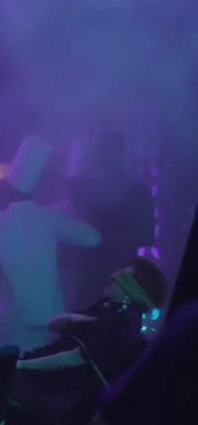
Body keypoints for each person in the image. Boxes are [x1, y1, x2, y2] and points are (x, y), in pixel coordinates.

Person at [6, 258, 169, 425]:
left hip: (56, 393)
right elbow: (54, 325)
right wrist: (74, 319)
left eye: (121, 277)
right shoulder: (107, 307)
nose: (112, 277)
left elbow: (73, 359)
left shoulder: (123, 323)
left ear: (131, 291)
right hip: (49, 380)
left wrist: (21, 365)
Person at [0, 137, 101, 349]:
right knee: (44, 363)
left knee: (11, 364)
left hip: (12, 316)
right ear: (37, 188)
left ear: (8, 188)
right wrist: (74, 208)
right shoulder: (50, 217)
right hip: (49, 317)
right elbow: (93, 239)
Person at [67, 132, 155, 308]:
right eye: (103, 154)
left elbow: (148, 236)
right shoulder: (87, 190)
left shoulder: (138, 192)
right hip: (89, 282)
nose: (105, 160)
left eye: (110, 154)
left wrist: (105, 239)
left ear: (121, 157)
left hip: (120, 279)